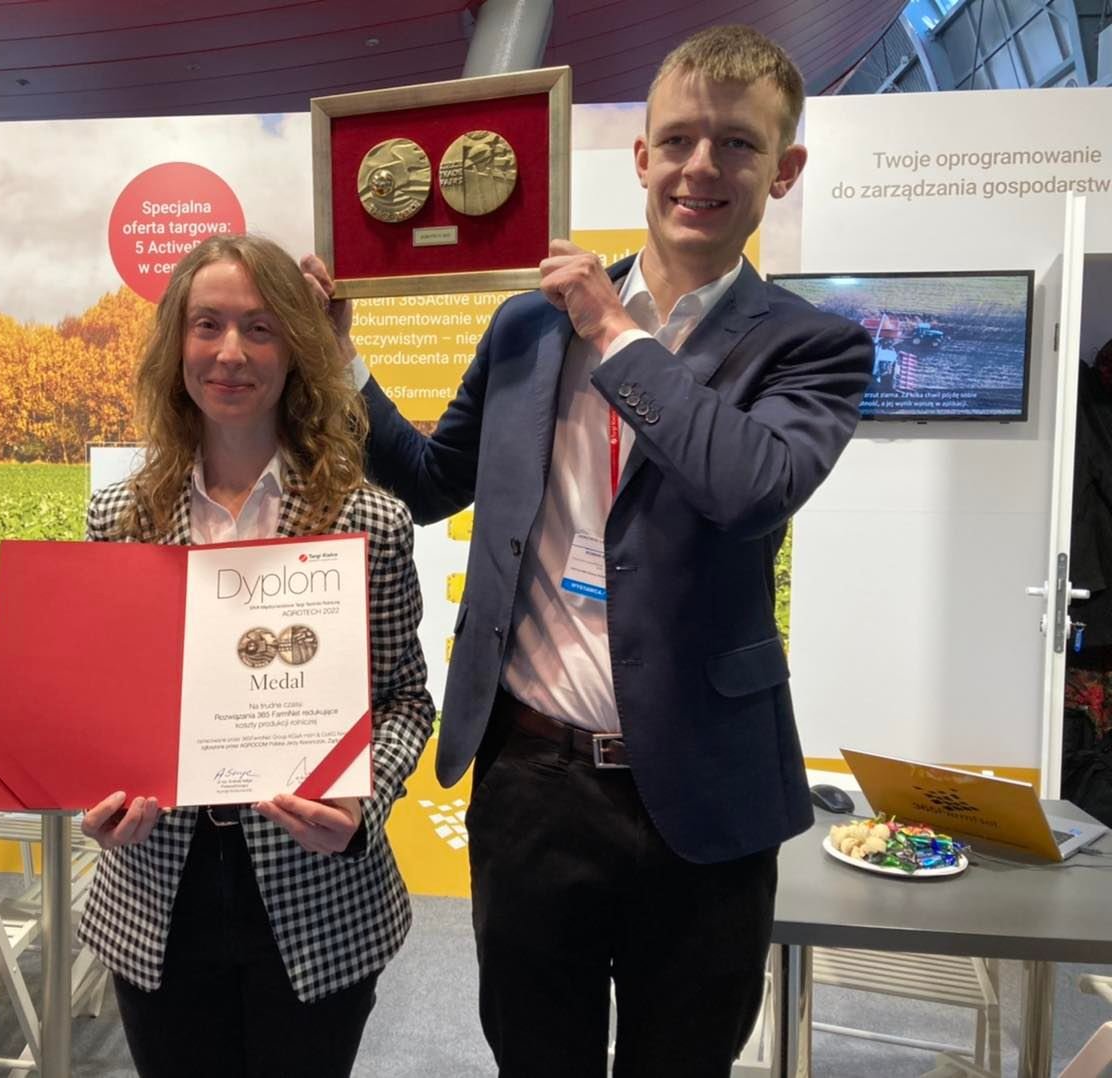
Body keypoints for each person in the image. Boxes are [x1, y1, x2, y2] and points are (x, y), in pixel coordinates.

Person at [304, 24, 873, 1077]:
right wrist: (343, 362)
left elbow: (749, 486)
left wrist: (615, 333)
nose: (702, 167)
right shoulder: (529, 328)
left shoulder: (813, 345)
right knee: (535, 1057)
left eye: (738, 145)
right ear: (642, 157)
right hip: (533, 781)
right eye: (680, 140)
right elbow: (430, 482)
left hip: (705, 790)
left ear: (784, 169)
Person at [76, 234, 435, 1078]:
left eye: (260, 327)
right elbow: (104, 709)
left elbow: (405, 701)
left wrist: (363, 801)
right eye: (208, 324)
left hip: (317, 895)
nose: (231, 352)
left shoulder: (370, 520)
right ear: (177, 346)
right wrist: (93, 791)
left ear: (297, 350)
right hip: (156, 893)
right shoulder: (118, 519)